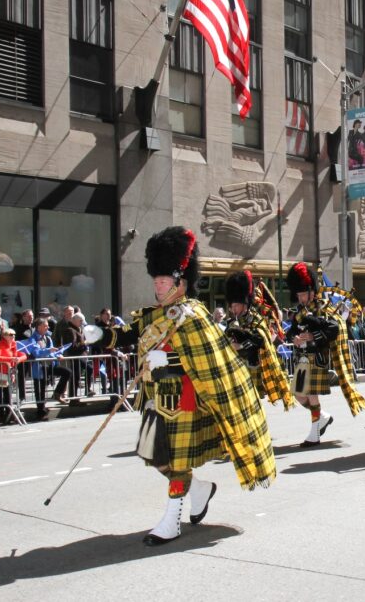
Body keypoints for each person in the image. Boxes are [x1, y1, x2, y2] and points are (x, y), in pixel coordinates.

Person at [84, 226, 275, 546]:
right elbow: (130, 333)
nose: (157, 286)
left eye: (162, 281)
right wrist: (102, 335)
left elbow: (206, 359)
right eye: (155, 281)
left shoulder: (194, 314)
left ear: (180, 281)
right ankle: (200, 490)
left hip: (184, 399)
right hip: (155, 399)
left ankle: (171, 520)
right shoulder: (157, 314)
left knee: (177, 462)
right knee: (155, 457)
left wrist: (168, 361)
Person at [286, 262, 365, 447]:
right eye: (298, 294)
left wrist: (311, 336)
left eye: (302, 294)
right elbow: (291, 331)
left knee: (310, 394)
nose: (300, 298)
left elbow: (334, 329)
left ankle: (314, 433)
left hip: (317, 357)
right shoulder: (299, 311)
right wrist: (294, 338)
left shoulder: (323, 308)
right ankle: (322, 417)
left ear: (311, 292)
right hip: (301, 357)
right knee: (299, 395)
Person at [223, 270, 294, 411]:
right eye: (231, 306)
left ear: (244, 303)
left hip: (252, 366)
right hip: (235, 367)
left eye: (235, 305)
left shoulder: (255, 318)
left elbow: (260, 340)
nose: (233, 309)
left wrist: (241, 345)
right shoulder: (231, 321)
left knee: (251, 404)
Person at [26, 317, 60, 420]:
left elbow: (52, 351)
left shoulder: (48, 338)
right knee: (39, 389)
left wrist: (57, 355)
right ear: (39, 327)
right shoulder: (32, 339)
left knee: (66, 373)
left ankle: (44, 407)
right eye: (45, 325)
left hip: (48, 365)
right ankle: (40, 411)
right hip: (38, 367)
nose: (47, 327)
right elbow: (36, 353)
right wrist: (48, 351)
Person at [0, 329, 26, 424]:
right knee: (1, 396)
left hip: (10, 373)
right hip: (1, 373)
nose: (13, 336)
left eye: (14, 334)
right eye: (10, 334)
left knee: (8, 396)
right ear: (4, 336)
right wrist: (11, 359)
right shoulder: (0, 344)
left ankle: (9, 416)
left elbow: (24, 355)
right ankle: (0, 416)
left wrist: (19, 359)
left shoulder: (14, 344)